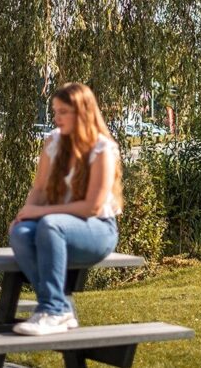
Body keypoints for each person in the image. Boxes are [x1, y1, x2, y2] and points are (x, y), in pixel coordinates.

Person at [9, 82, 122, 336]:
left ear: (82, 113)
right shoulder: (54, 142)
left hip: (97, 230)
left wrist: (38, 213)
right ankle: (59, 307)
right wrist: (24, 214)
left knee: (50, 224)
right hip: (56, 228)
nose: (56, 118)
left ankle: (51, 309)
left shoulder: (102, 149)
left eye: (63, 112)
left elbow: (92, 207)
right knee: (21, 233)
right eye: (55, 111)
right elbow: (38, 189)